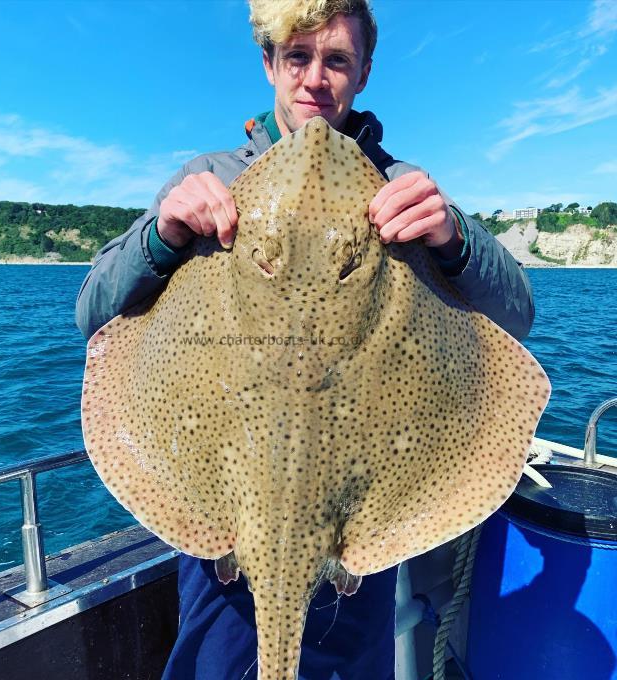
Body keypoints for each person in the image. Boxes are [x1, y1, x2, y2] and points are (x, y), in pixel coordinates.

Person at [76, 1, 534, 678]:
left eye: (338, 60)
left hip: (362, 530)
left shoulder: (403, 190)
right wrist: (162, 234)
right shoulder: (208, 178)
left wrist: (454, 236)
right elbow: (93, 312)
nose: (316, 78)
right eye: (298, 57)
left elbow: (518, 315)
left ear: (364, 72)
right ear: (269, 64)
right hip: (224, 539)